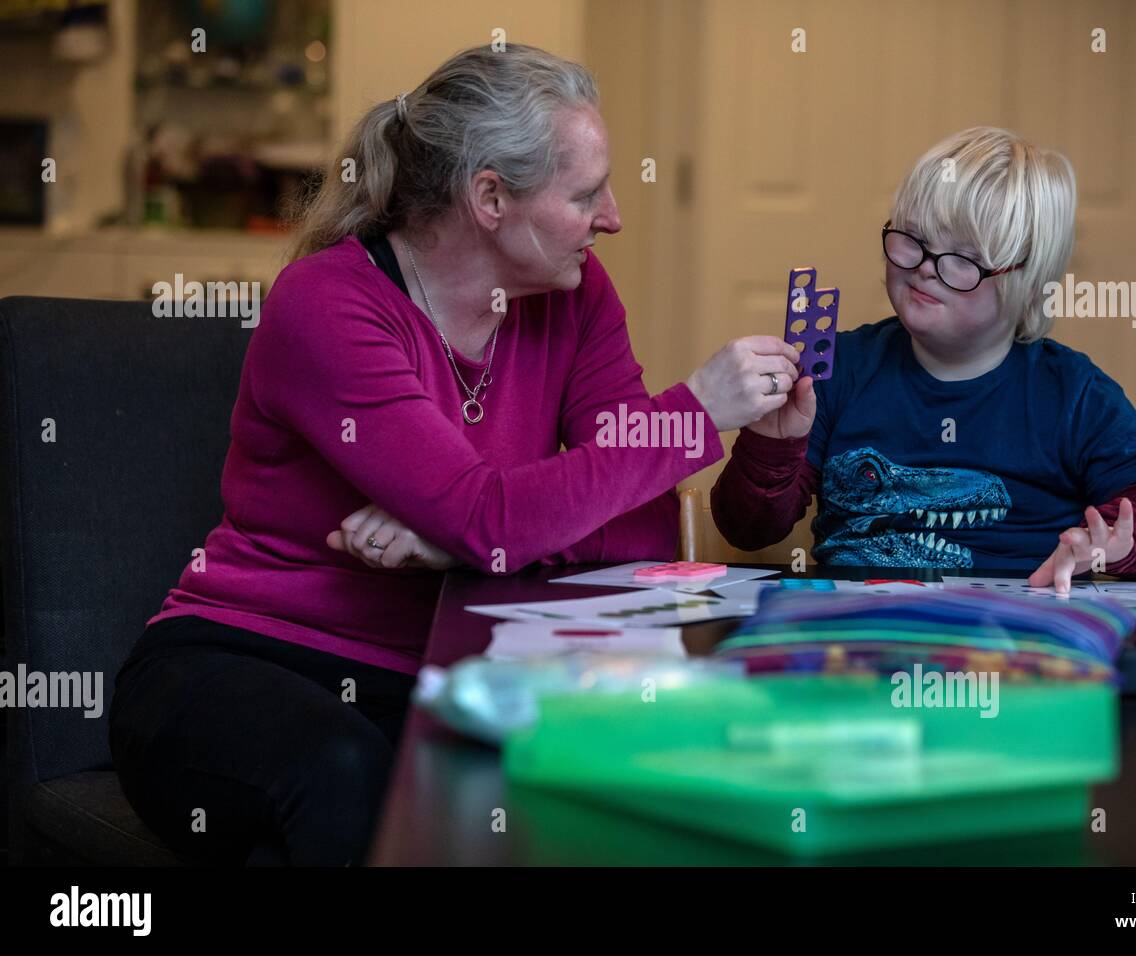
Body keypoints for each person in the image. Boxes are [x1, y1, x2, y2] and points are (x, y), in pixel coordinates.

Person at [109, 43, 801, 866]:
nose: (614, 215)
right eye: (585, 194)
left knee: (573, 789)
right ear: (491, 198)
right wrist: (694, 415)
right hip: (244, 657)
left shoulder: (575, 297)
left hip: (437, 669)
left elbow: (644, 523)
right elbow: (495, 516)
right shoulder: (328, 304)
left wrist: (457, 537)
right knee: (348, 782)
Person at [711, 126, 1136, 591]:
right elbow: (747, 530)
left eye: (962, 258)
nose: (925, 269)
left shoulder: (1073, 392)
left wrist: (1115, 542)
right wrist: (771, 447)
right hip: (856, 638)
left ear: (1027, 282)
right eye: (912, 240)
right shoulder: (837, 368)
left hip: (1012, 644)